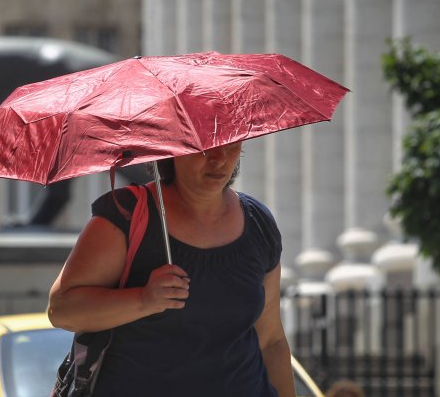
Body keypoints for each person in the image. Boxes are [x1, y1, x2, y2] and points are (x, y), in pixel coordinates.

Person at [48, 142, 295, 396]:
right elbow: (62, 309)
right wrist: (143, 300)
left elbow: (271, 341)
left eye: (231, 145)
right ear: (173, 149)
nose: (219, 158)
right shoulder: (127, 215)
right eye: (204, 147)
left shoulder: (258, 223)